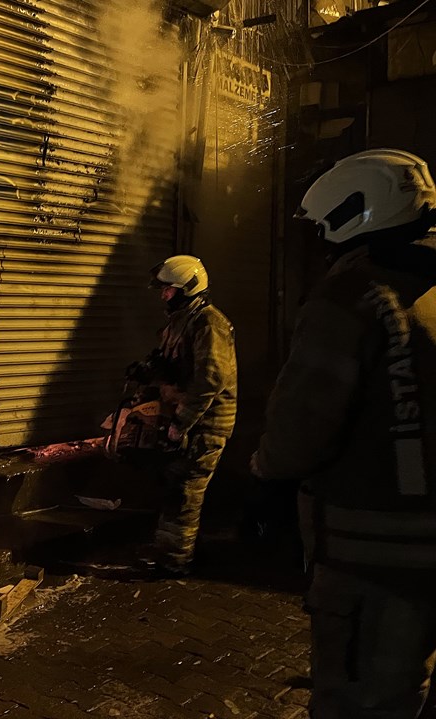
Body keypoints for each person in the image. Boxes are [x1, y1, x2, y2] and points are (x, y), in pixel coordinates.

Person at [251, 148, 436, 718]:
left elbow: (301, 424)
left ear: (350, 214)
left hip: (376, 559)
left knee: (362, 700)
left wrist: (265, 479)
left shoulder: (351, 296)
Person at [132, 255, 238, 576]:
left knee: (185, 489)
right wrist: (148, 371)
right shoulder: (183, 319)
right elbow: (173, 362)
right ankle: (173, 548)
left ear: (187, 288)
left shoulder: (209, 323)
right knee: (173, 483)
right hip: (187, 419)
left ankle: (174, 560)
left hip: (205, 423)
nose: (163, 295)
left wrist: (181, 423)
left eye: (168, 290)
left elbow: (210, 379)